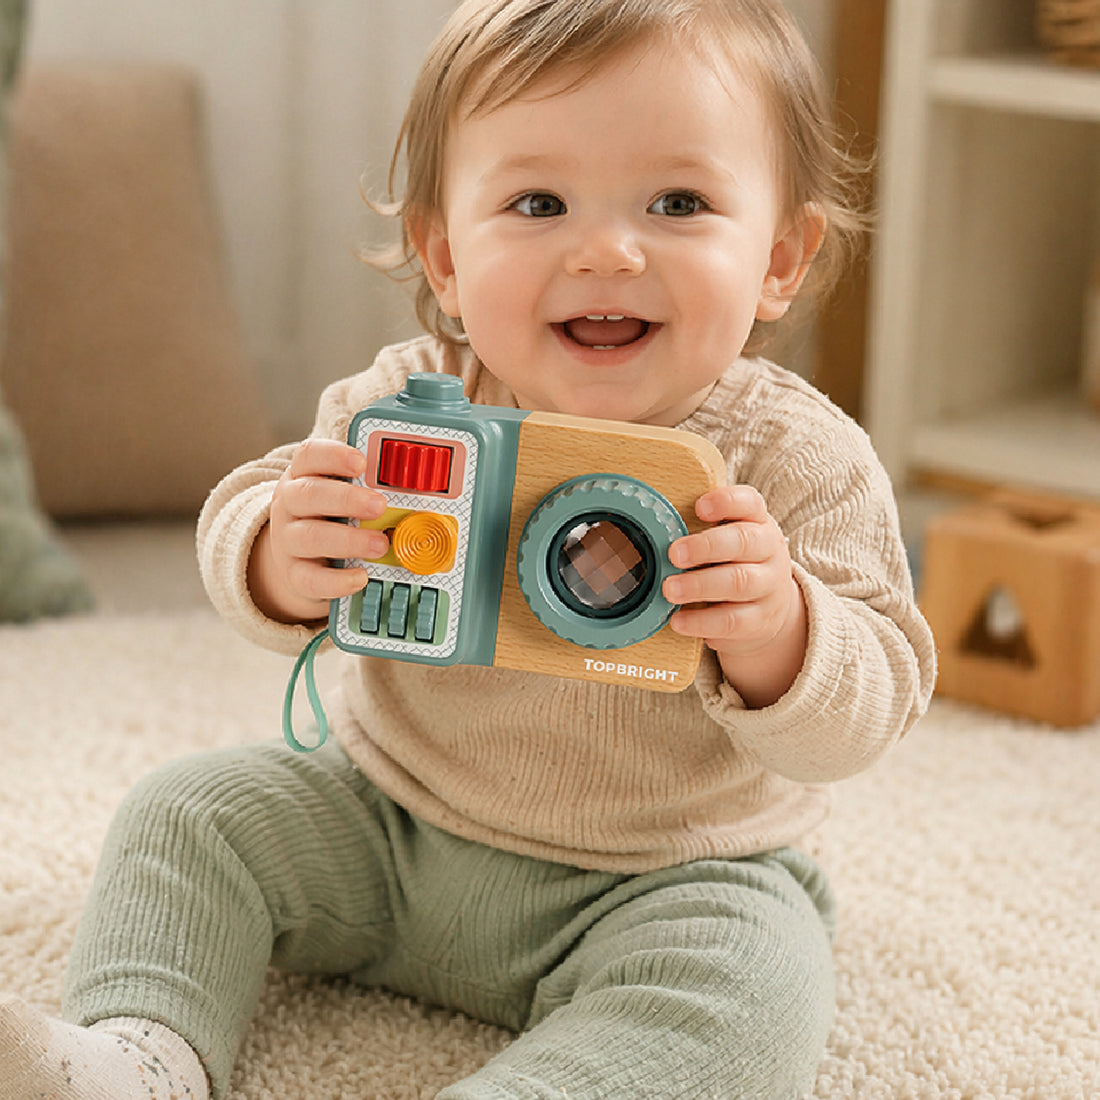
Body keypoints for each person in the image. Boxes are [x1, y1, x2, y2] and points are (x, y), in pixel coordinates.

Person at [0, 1, 936, 1097]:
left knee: (754, 979)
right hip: (389, 817)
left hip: (662, 876)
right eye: (537, 201)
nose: (606, 249)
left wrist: (782, 630)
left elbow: (880, 693)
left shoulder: (793, 458)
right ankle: (142, 1053)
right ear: (445, 257)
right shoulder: (408, 405)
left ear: (778, 256)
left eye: (677, 201)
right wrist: (277, 554)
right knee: (191, 812)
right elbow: (251, 505)